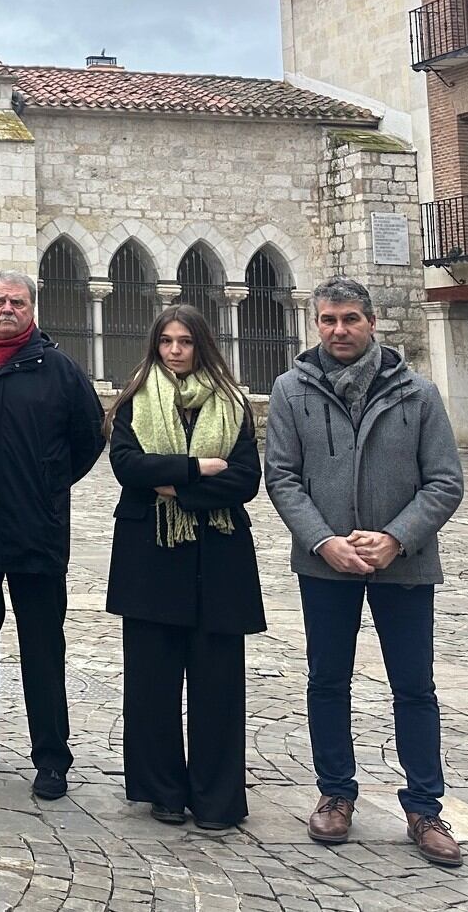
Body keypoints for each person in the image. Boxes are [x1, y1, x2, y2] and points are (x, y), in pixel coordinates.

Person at [265, 278, 466, 868]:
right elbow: (282, 476)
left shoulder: (418, 393)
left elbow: (445, 481)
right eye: (327, 320)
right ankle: (336, 792)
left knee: (414, 685)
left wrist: (395, 538)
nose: (338, 330)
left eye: (350, 319)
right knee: (328, 680)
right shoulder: (290, 390)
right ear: (315, 324)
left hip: (404, 566)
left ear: (372, 322)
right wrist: (323, 541)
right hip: (325, 565)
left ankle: (425, 807)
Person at [0, 268, 103, 800]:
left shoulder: (57, 368)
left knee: (42, 646)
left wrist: (50, 481)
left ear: (32, 308)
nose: (6, 309)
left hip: (37, 530)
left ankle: (51, 756)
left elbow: (89, 436)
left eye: (17, 301)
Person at [105, 304, 263, 830]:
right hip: (151, 555)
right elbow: (126, 465)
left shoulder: (232, 403)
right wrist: (198, 468)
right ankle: (163, 791)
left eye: (185, 342)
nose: (175, 350)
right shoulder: (135, 398)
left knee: (218, 682)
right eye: (167, 341)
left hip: (217, 560)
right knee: (152, 680)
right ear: (156, 344)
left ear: (202, 345)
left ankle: (217, 797)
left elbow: (244, 480)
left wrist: (173, 485)